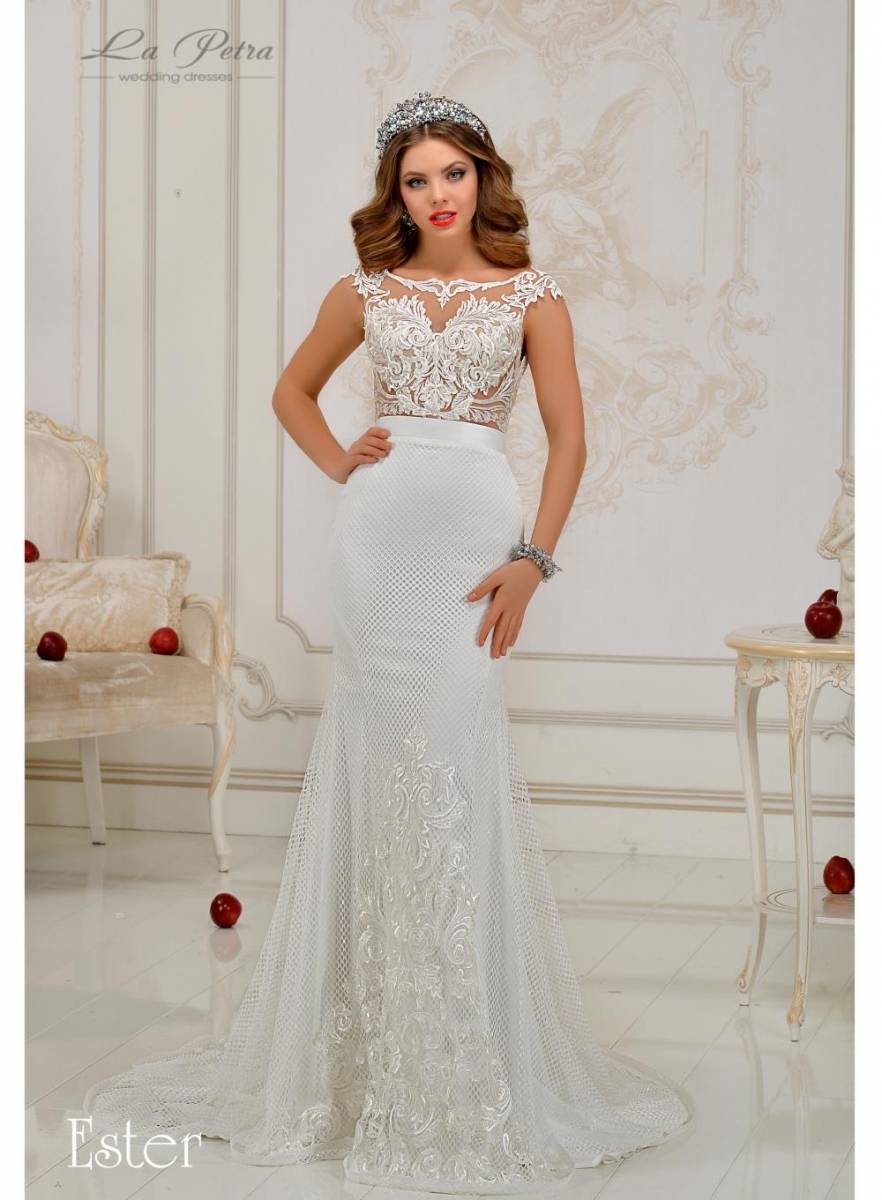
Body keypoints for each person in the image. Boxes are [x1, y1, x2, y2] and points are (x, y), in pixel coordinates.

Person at [83, 91, 694, 1193]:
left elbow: (569, 441)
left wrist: (534, 562)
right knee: (375, 768)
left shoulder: (535, 297)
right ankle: (362, 1055)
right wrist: (338, 460)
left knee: (450, 768)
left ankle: (459, 1049)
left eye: (453, 173)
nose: (437, 194)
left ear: (482, 177)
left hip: (474, 543)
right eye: (417, 180)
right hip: (376, 548)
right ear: (396, 194)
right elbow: (291, 390)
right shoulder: (365, 290)